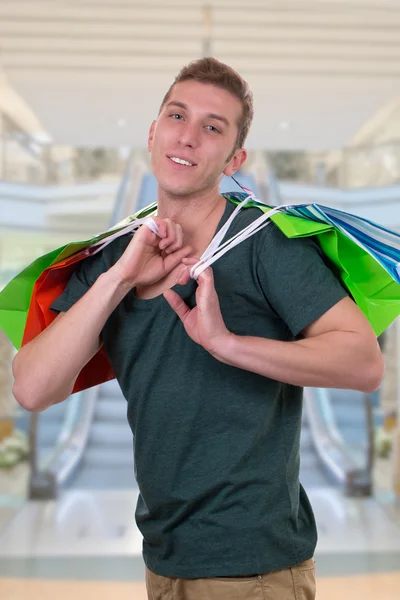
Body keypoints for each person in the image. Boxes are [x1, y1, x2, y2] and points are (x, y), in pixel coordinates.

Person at [12, 58, 385, 600]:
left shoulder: (267, 244)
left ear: (235, 158)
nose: (188, 137)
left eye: (213, 127)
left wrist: (227, 343)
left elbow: (364, 363)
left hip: (254, 567)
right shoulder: (114, 257)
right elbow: (32, 387)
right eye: (177, 116)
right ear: (152, 131)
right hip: (164, 559)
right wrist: (119, 279)